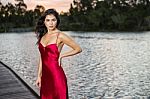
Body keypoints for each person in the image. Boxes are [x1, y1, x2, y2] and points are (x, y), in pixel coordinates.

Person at [35, 8, 82, 99]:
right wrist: (38, 76)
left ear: (57, 21)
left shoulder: (60, 35)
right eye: (48, 20)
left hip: (57, 77)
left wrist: (62, 55)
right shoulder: (43, 36)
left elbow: (78, 49)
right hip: (45, 78)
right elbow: (42, 58)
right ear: (44, 22)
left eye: (53, 20)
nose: (51, 23)